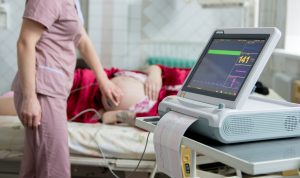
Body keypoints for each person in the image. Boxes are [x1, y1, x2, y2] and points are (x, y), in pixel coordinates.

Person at [11, 0, 122, 177]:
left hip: (53, 91)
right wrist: (30, 97)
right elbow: (25, 43)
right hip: (42, 91)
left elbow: (82, 40)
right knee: (55, 170)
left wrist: (103, 80)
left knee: (34, 170)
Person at [0, 65, 192, 125]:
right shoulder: (189, 77)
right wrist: (155, 73)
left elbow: (157, 123)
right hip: (91, 82)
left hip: (88, 108)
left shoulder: (188, 116)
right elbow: (158, 67)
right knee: (37, 82)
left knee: (35, 107)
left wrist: (116, 116)